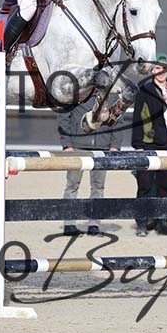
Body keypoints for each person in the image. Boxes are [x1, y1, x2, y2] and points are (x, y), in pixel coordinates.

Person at [131, 53, 167, 237]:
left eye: (165, 68)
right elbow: (137, 117)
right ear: (153, 70)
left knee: (166, 186)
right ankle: (142, 223)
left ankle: (164, 222)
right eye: (158, 68)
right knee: (145, 185)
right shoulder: (145, 90)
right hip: (149, 144)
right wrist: (138, 144)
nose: (161, 72)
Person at [58, 97, 123, 236]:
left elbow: (118, 119)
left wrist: (115, 146)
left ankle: (94, 224)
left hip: (102, 148)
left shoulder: (111, 95)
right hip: (77, 147)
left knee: (98, 187)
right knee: (72, 186)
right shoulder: (77, 93)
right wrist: (67, 144)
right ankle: (69, 224)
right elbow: (64, 117)